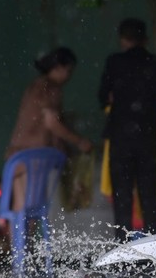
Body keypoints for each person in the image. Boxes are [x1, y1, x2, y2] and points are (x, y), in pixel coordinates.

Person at [98, 18, 156, 241]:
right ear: (145, 39)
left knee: (122, 198)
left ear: (123, 39)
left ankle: (122, 246)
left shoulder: (114, 62)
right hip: (149, 139)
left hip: (120, 138)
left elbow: (103, 97)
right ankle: (151, 245)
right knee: (149, 197)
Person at [6, 46, 93, 210]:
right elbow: (52, 123)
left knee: (21, 208)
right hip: (34, 154)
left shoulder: (37, 86)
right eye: (68, 71)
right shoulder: (49, 87)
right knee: (31, 208)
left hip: (19, 154)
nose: (69, 76)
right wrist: (79, 142)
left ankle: (14, 229)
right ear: (58, 67)